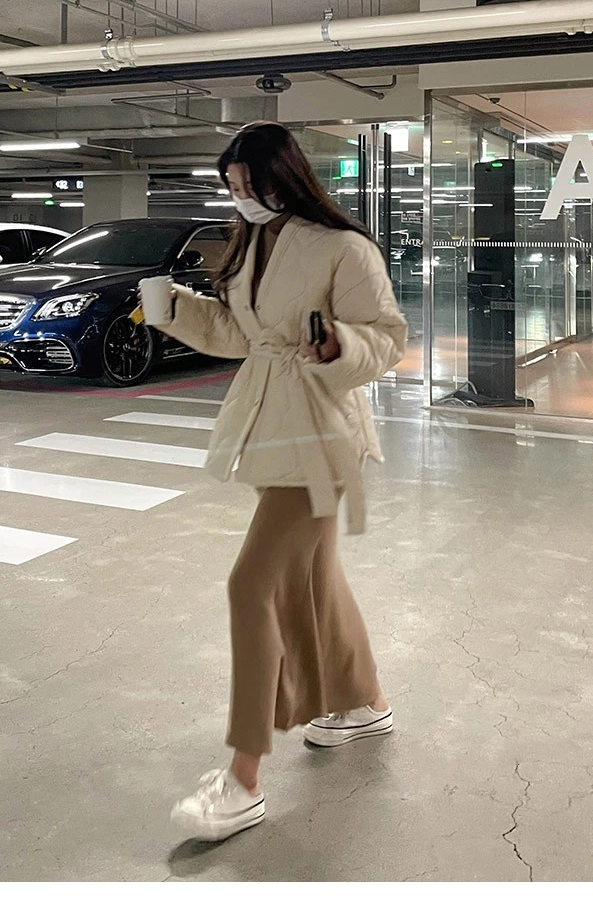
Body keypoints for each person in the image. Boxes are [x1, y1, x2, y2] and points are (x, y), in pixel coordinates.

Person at [159, 121, 408, 842]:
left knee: (253, 585)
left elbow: (387, 337)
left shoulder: (343, 248)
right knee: (315, 579)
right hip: (274, 429)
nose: (242, 198)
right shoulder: (250, 245)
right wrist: (174, 308)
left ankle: (243, 779)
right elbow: (245, 336)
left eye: (251, 185)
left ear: (285, 177)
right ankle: (363, 702)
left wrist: (338, 343)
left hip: (324, 437)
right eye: (232, 187)